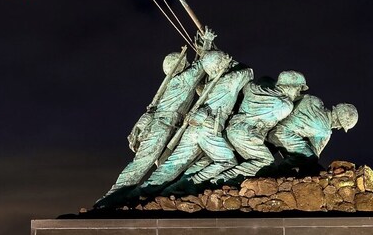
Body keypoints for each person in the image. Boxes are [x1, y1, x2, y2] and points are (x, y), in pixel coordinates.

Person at [94, 45, 207, 209]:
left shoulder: (175, 80)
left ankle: (162, 196)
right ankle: (111, 198)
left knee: (166, 164)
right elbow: (203, 65)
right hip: (162, 127)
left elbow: (197, 67)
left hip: (166, 126)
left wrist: (201, 50)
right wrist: (206, 45)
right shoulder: (183, 80)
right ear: (183, 65)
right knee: (142, 163)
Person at [138, 50, 253, 196]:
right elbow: (249, 72)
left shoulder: (206, 86)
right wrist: (231, 63)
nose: (227, 58)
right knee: (227, 162)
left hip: (192, 129)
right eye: (224, 57)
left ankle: (144, 190)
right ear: (221, 64)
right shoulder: (231, 79)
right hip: (209, 129)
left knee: (175, 164)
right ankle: (190, 182)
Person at [212, 70, 308, 184]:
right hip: (247, 134)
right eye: (298, 89)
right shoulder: (285, 104)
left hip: (232, 129)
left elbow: (250, 86)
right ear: (289, 87)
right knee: (266, 162)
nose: (298, 93)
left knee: (255, 157)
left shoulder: (253, 88)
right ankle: (221, 179)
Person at [266, 95, 358, 174]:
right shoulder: (325, 131)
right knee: (310, 157)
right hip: (281, 136)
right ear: (339, 124)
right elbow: (314, 154)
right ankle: (282, 170)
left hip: (270, 127)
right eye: (340, 126)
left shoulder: (314, 100)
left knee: (300, 148)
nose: (338, 128)